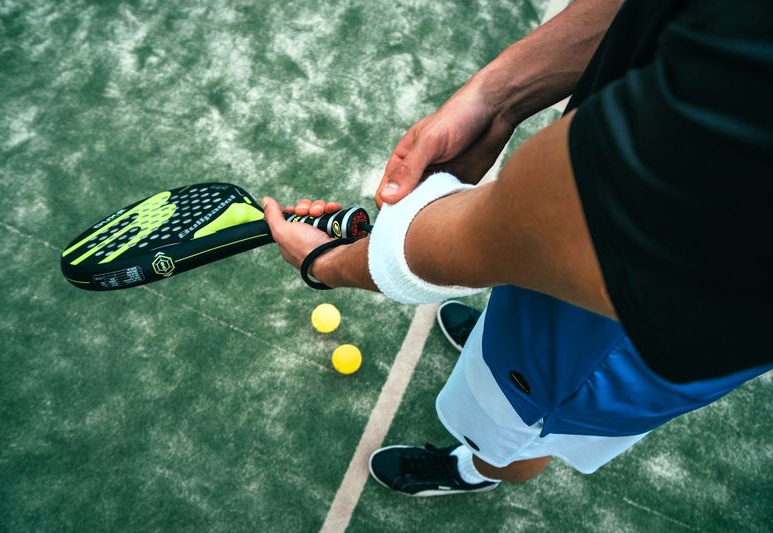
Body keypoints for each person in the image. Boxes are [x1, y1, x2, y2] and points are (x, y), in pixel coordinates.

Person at [261, 0, 773, 496]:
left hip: (610, 343)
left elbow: (532, 230)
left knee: (516, 432)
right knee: (512, 322)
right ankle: (496, 340)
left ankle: (476, 468)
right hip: (596, 259)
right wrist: (494, 98)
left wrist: (326, 263)